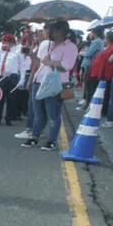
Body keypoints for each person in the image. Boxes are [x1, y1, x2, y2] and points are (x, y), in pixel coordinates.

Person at [21, 20, 77, 152]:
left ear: (60, 31)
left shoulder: (70, 47)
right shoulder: (46, 44)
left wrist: (50, 62)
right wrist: (31, 55)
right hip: (38, 80)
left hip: (54, 83)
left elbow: (67, 66)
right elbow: (39, 64)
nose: (46, 32)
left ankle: (51, 141)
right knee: (38, 113)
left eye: (49, 30)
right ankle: (35, 137)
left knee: (53, 114)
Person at [0, 34, 24, 126]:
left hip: (12, 76)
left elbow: (23, 64)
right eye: (3, 41)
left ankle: (8, 119)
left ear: (12, 43)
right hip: (1, 76)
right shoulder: (2, 49)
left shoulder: (18, 51)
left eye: (6, 42)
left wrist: (22, 78)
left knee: (11, 99)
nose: (4, 44)